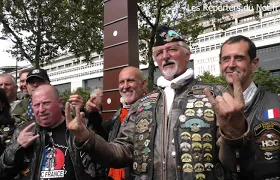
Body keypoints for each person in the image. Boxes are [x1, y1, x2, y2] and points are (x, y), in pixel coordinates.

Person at [65, 26, 237, 180]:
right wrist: (85, 136)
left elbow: (234, 160)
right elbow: (121, 151)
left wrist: (233, 132)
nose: (165, 56)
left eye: (172, 49)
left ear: (187, 54)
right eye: (159, 53)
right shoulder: (143, 104)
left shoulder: (215, 94)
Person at [209, 35, 280, 180]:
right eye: (226, 59)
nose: (231, 64)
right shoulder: (211, 108)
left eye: (239, 58)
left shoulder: (276, 103)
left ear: (254, 63)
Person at [0, 85, 104, 180]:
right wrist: (17, 147)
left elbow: (101, 166)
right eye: (36, 105)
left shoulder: (81, 127)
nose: (41, 109)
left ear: (59, 103)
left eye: (46, 103)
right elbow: (3, 172)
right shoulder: (22, 131)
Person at [86, 66, 146, 180]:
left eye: (130, 81)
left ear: (143, 84)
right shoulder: (118, 114)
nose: (125, 86)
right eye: (121, 82)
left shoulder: (154, 110)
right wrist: (92, 115)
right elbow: (103, 137)